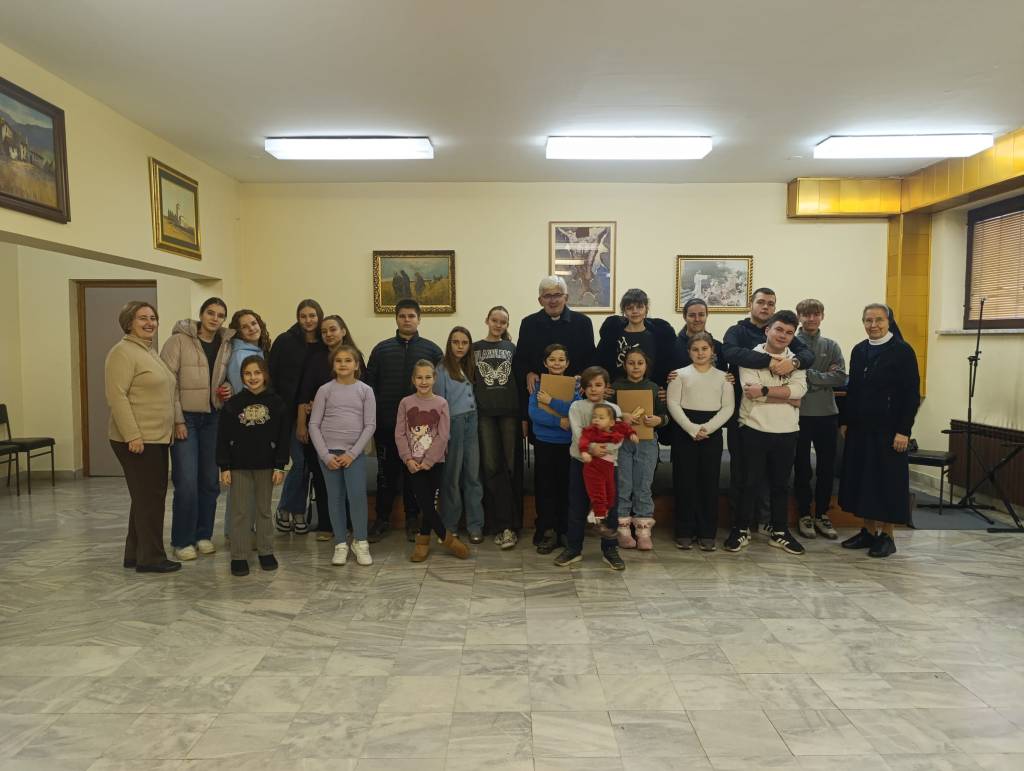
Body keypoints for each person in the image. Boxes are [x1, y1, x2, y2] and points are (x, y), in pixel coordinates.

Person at [722, 288, 814, 531]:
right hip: (745, 413)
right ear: (751, 304)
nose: (765, 307)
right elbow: (731, 353)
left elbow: (807, 356)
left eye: (770, 303)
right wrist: (770, 361)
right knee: (743, 474)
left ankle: (765, 523)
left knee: (775, 479)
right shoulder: (737, 331)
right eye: (761, 302)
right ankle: (740, 526)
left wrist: (794, 362)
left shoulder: (783, 332)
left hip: (778, 421)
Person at [839, 304, 920, 558]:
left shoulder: (902, 351)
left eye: (879, 320)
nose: (873, 325)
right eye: (868, 320)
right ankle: (867, 531)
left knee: (887, 481)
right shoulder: (859, 350)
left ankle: (887, 535)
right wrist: (846, 421)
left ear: (889, 321)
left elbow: (911, 394)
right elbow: (853, 389)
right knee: (863, 479)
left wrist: (904, 430)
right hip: (860, 428)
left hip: (889, 430)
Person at [105, 301, 180, 574]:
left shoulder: (147, 351)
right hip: (138, 440)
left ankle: (135, 553)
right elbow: (117, 397)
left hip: (156, 438)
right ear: (129, 323)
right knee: (150, 500)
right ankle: (151, 558)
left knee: (144, 498)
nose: (150, 323)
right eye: (142, 318)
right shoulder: (122, 352)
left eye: (153, 318)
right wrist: (132, 435)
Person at [160, 297, 234, 561]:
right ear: (201, 314)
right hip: (187, 420)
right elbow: (167, 383)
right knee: (187, 482)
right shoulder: (178, 341)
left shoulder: (226, 344)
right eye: (210, 313)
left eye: (220, 315)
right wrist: (178, 420)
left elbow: (227, 378)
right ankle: (182, 540)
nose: (215, 318)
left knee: (210, 482)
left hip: (213, 418)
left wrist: (228, 388)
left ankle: (203, 535)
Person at [365, 299, 443, 542]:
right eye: (402, 316)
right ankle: (382, 519)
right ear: (396, 319)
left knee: (414, 476)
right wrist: (375, 418)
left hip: (420, 430)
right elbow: (369, 385)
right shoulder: (381, 350)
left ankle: (412, 519)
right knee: (385, 475)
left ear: (419, 319)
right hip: (387, 425)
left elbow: (440, 387)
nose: (407, 320)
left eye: (411, 316)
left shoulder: (432, 350)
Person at [216, 357, 288, 576]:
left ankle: (266, 551)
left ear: (265, 375)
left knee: (264, 510)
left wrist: (280, 465)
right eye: (247, 373)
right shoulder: (233, 404)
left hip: (267, 466)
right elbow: (223, 437)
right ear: (242, 377)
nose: (253, 377)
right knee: (240, 512)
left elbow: (283, 437)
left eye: (257, 373)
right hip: (239, 467)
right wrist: (224, 467)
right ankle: (239, 555)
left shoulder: (277, 403)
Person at [309, 343, 376, 567]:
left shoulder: (365, 391)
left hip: (353, 455)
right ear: (333, 365)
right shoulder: (324, 390)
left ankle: (361, 542)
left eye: (348, 360)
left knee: (356, 497)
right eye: (339, 361)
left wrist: (352, 453)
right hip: (329, 455)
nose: (343, 364)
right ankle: (340, 543)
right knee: (335, 498)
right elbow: (314, 424)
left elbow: (370, 425)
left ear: (356, 365)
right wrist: (325, 455)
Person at [295, 315, 361, 541]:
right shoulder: (315, 359)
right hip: (320, 431)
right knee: (323, 479)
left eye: (333, 329)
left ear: (343, 331)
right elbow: (304, 393)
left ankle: (350, 524)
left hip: (351, 433)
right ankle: (326, 524)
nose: (328, 334)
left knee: (350, 484)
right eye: (324, 331)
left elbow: (364, 393)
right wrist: (301, 424)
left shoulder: (356, 356)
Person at [396, 360, 470, 562]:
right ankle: (447, 538)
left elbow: (443, 435)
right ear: (413, 380)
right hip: (413, 464)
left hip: (435, 463)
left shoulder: (441, 403)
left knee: (430, 503)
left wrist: (428, 461)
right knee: (425, 503)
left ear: (434, 379)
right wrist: (408, 459)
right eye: (419, 377)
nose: (423, 381)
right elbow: (400, 434)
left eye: (428, 377)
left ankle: (423, 541)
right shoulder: (405, 403)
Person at [667, 332, 734, 551]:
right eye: (695, 349)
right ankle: (684, 531)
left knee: (709, 482)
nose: (700, 353)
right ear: (689, 352)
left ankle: (707, 532)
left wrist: (708, 428)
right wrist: (691, 428)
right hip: (684, 431)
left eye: (705, 349)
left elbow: (728, 407)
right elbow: (673, 404)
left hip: (711, 432)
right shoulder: (679, 375)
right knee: (684, 481)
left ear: (712, 350)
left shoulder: (724, 378)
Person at [557, 366, 626, 570]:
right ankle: (574, 548)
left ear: (606, 387)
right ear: (583, 388)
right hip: (581, 462)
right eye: (589, 386)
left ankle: (610, 549)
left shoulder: (614, 409)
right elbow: (578, 433)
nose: (594, 389)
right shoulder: (576, 407)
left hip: (607, 465)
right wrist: (591, 448)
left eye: (598, 385)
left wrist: (601, 450)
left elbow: (618, 436)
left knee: (610, 505)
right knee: (577, 506)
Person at [268, 299, 324, 533]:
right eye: (303, 316)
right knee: (299, 463)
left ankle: (299, 511)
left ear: (319, 316)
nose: (308, 320)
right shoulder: (285, 341)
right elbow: (271, 375)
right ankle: (285, 508)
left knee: (309, 465)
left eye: (312, 316)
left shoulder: (324, 343)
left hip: (318, 415)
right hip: (289, 413)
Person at [793, 299, 847, 541]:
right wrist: (824, 377)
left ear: (822, 316)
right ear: (799, 317)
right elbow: (791, 376)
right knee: (802, 468)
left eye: (815, 314)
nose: (811, 318)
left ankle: (822, 514)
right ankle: (804, 514)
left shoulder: (831, 345)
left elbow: (841, 378)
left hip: (827, 414)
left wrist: (810, 377)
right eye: (806, 314)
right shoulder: (792, 344)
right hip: (800, 415)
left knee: (826, 468)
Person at [512, 276, 596, 421]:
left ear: (566, 297)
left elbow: (591, 357)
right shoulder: (529, 324)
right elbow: (520, 359)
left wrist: (584, 376)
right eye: (547, 296)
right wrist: (528, 373)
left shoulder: (583, 322)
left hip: (574, 393)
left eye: (557, 295)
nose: (553, 300)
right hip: (540, 394)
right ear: (540, 300)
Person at [474, 306, 523, 550]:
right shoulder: (474, 348)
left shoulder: (512, 348)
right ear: (487, 320)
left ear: (507, 325)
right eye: (494, 320)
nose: (498, 325)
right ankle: (495, 523)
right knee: (490, 466)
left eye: (503, 322)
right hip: (484, 414)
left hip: (509, 413)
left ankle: (511, 524)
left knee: (511, 467)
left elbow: (519, 380)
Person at [610, 349, 667, 550]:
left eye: (640, 363)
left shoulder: (653, 388)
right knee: (623, 484)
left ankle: (643, 530)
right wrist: (620, 418)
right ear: (624, 365)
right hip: (622, 442)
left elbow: (664, 415)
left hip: (647, 442)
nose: (635, 367)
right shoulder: (615, 388)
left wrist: (659, 420)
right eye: (631, 363)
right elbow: (606, 416)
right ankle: (623, 529)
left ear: (646, 365)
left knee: (643, 484)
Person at [434, 326, 485, 543]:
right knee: (451, 476)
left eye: (464, 343)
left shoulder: (471, 366)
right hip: (452, 423)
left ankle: (475, 524)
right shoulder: (441, 369)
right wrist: (443, 435)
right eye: (456, 342)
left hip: (472, 422)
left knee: (473, 475)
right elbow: (439, 404)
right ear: (449, 344)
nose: (460, 346)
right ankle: (450, 524)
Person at [528, 343, 578, 554]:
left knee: (566, 488)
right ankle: (546, 530)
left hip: (567, 445)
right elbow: (535, 414)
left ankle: (563, 530)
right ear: (545, 363)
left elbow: (575, 410)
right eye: (552, 360)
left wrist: (551, 402)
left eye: (561, 360)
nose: (557, 363)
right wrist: (559, 421)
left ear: (567, 363)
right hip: (544, 444)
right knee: (545, 488)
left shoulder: (575, 387)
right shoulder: (538, 386)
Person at [596, 288, 677, 387]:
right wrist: (604, 385)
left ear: (646, 309)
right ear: (624, 310)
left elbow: (668, 365)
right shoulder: (612, 334)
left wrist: (664, 388)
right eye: (630, 308)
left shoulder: (659, 335)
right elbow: (600, 363)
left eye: (639, 307)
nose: (635, 311)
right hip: (618, 388)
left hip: (650, 389)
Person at [580, 403, 638, 524]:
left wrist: (632, 434)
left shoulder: (617, 427)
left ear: (611, 422)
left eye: (601, 418)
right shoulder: (590, 431)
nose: (596, 420)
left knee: (611, 494)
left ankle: (599, 512)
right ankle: (599, 518)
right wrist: (584, 451)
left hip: (608, 468)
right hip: (593, 467)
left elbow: (625, 427)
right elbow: (584, 440)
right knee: (598, 493)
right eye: (594, 417)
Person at [226, 309, 271, 395]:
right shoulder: (239, 356)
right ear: (238, 332)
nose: (251, 328)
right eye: (244, 327)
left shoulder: (261, 350)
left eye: (254, 323)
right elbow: (241, 391)